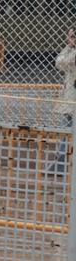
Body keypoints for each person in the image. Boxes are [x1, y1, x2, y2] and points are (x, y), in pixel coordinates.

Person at [54, 29, 76, 173]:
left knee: (67, 130)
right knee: (65, 130)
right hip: (70, 98)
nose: (69, 39)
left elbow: (68, 62)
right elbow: (59, 62)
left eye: (72, 36)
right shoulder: (70, 49)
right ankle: (60, 163)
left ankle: (61, 163)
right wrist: (70, 46)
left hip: (72, 97)